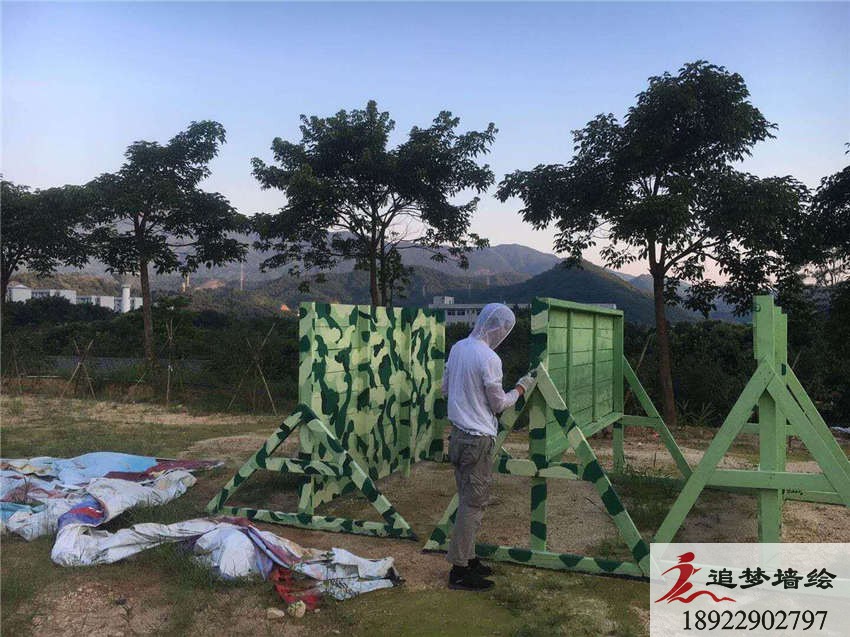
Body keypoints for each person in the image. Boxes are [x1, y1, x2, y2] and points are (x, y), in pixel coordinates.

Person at [441, 303, 534, 591]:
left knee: (467, 499)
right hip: (477, 440)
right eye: (504, 329)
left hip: (457, 436)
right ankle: (459, 570)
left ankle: (469, 560)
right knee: (474, 504)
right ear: (498, 328)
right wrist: (520, 389)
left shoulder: (458, 348)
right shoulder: (490, 358)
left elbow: (445, 389)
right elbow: (498, 404)